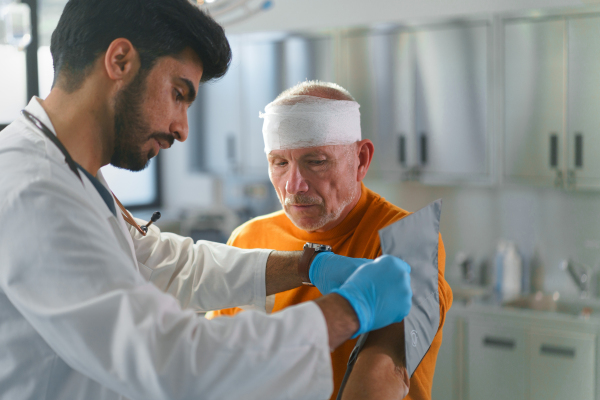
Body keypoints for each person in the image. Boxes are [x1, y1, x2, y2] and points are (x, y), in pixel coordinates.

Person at [0, 2, 414, 400]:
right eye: (179, 93)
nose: (182, 129)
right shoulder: (35, 189)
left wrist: (307, 266)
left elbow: (167, 266)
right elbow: (174, 360)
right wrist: (350, 309)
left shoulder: (70, 172)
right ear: (120, 61)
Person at [207, 81, 453, 400]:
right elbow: (215, 354)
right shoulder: (248, 237)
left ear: (361, 160)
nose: (294, 186)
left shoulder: (405, 239)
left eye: (316, 161)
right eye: (279, 162)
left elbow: (386, 371)